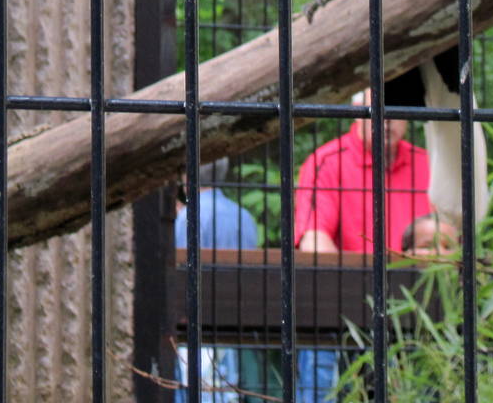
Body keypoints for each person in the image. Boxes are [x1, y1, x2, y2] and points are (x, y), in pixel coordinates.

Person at [291, 92, 434, 402]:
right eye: (379, 109)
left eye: (396, 111)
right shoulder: (325, 162)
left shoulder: (428, 165)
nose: (388, 120)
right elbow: (314, 241)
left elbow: (451, 240)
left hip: (415, 314)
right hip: (340, 317)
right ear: (357, 112)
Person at [173, 157, 260, 402]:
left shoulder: (188, 216)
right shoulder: (243, 216)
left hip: (196, 322)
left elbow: (178, 274)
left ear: (188, 177)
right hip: (236, 322)